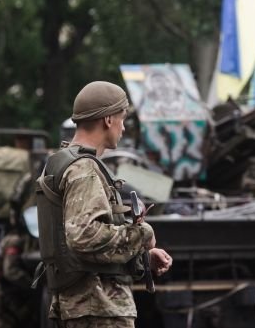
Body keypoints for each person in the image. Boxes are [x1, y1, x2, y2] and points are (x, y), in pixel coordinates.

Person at [36, 81, 172, 328]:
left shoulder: (61, 163)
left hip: (82, 305)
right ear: (108, 119)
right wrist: (143, 234)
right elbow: (85, 236)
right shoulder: (84, 170)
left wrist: (142, 258)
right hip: (97, 308)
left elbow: (77, 247)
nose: (123, 127)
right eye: (122, 118)